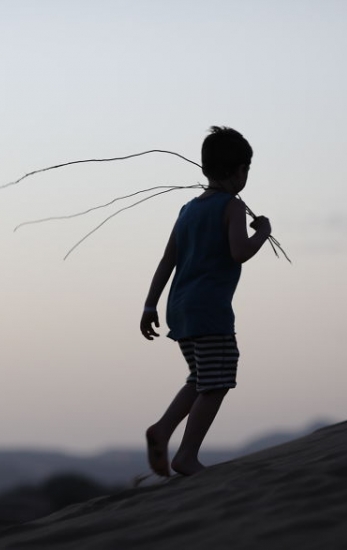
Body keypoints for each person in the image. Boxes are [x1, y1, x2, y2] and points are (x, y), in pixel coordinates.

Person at [140, 126, 272, 477]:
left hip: (180, 309)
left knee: (200, 376)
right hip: (209, 309)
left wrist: (149, 305)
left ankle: (162, 430)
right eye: (247, 169)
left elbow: (167, 260)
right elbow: (239, 252)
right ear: (239, 171)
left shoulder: (187, 209)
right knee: (217, 381)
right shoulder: (232, 206)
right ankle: (186, 456)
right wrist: (263, 233)